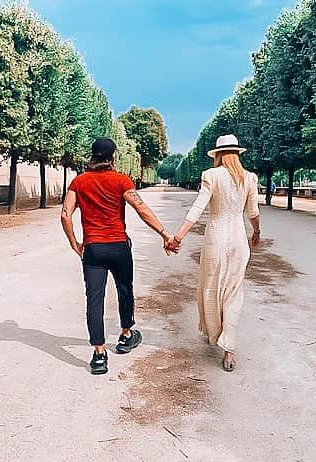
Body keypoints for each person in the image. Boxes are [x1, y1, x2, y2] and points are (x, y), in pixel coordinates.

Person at [61, 137, 173, 375]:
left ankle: (99, 354)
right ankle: (125, 335)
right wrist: (164, 233)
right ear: (113, 157)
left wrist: (75, 244)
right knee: (124, 289)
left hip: (93, 249)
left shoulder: (79, 182)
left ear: (92, 156)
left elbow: (65, 214)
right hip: (119, 246)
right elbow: (141, 209)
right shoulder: (121, 180)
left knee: (94, 299)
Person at [166, 134, 261, 372]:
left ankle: (214, 333)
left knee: (211, 287)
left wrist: (178, 236)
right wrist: (257, 231)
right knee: (233, 293)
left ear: (217, 155)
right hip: (239, 241)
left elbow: (198, 208)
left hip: (215, 240)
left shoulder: (211, 176)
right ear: (238, 153)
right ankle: (229, 349)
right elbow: (253, 212)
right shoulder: (249, 178)